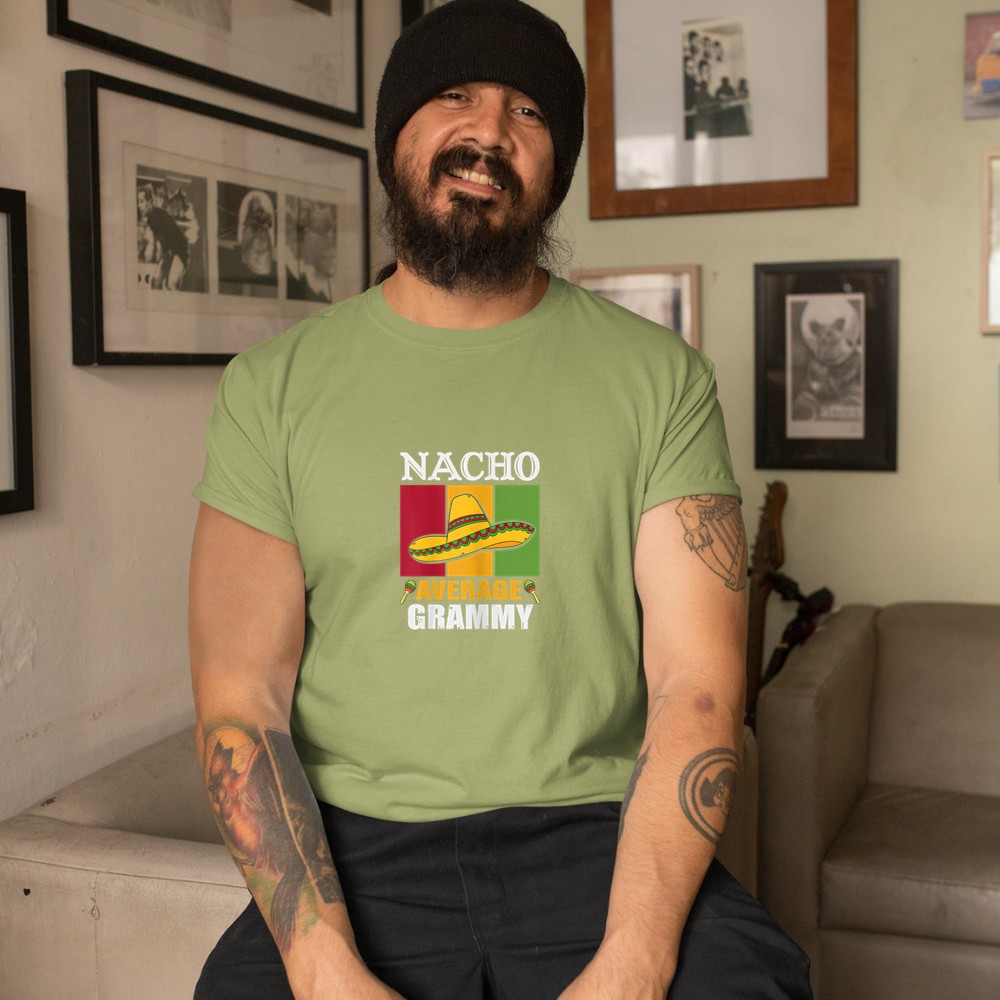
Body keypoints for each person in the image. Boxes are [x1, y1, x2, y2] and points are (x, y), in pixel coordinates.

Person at [188, 2, 812, 999]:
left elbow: (696, 684)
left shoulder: (661, 379)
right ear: (395, 138)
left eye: (527, 111)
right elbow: (240, 698)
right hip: (358, 845)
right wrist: (321, 966)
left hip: (594, 831)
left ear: (555, 169)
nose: (488, 132)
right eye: (453, 97)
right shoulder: (271, 388)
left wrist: (636, 960)